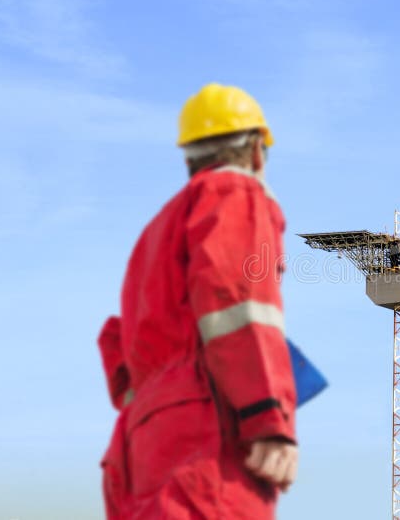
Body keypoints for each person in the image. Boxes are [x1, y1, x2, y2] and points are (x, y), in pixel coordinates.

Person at [98, 83, 298, 519]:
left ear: (189, 158)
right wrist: (268, 417)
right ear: (257, 151)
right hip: (207, 436)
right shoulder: (236, 193)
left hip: (139, 448)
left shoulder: (152, 235)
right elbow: (240, 307)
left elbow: (118, 347)